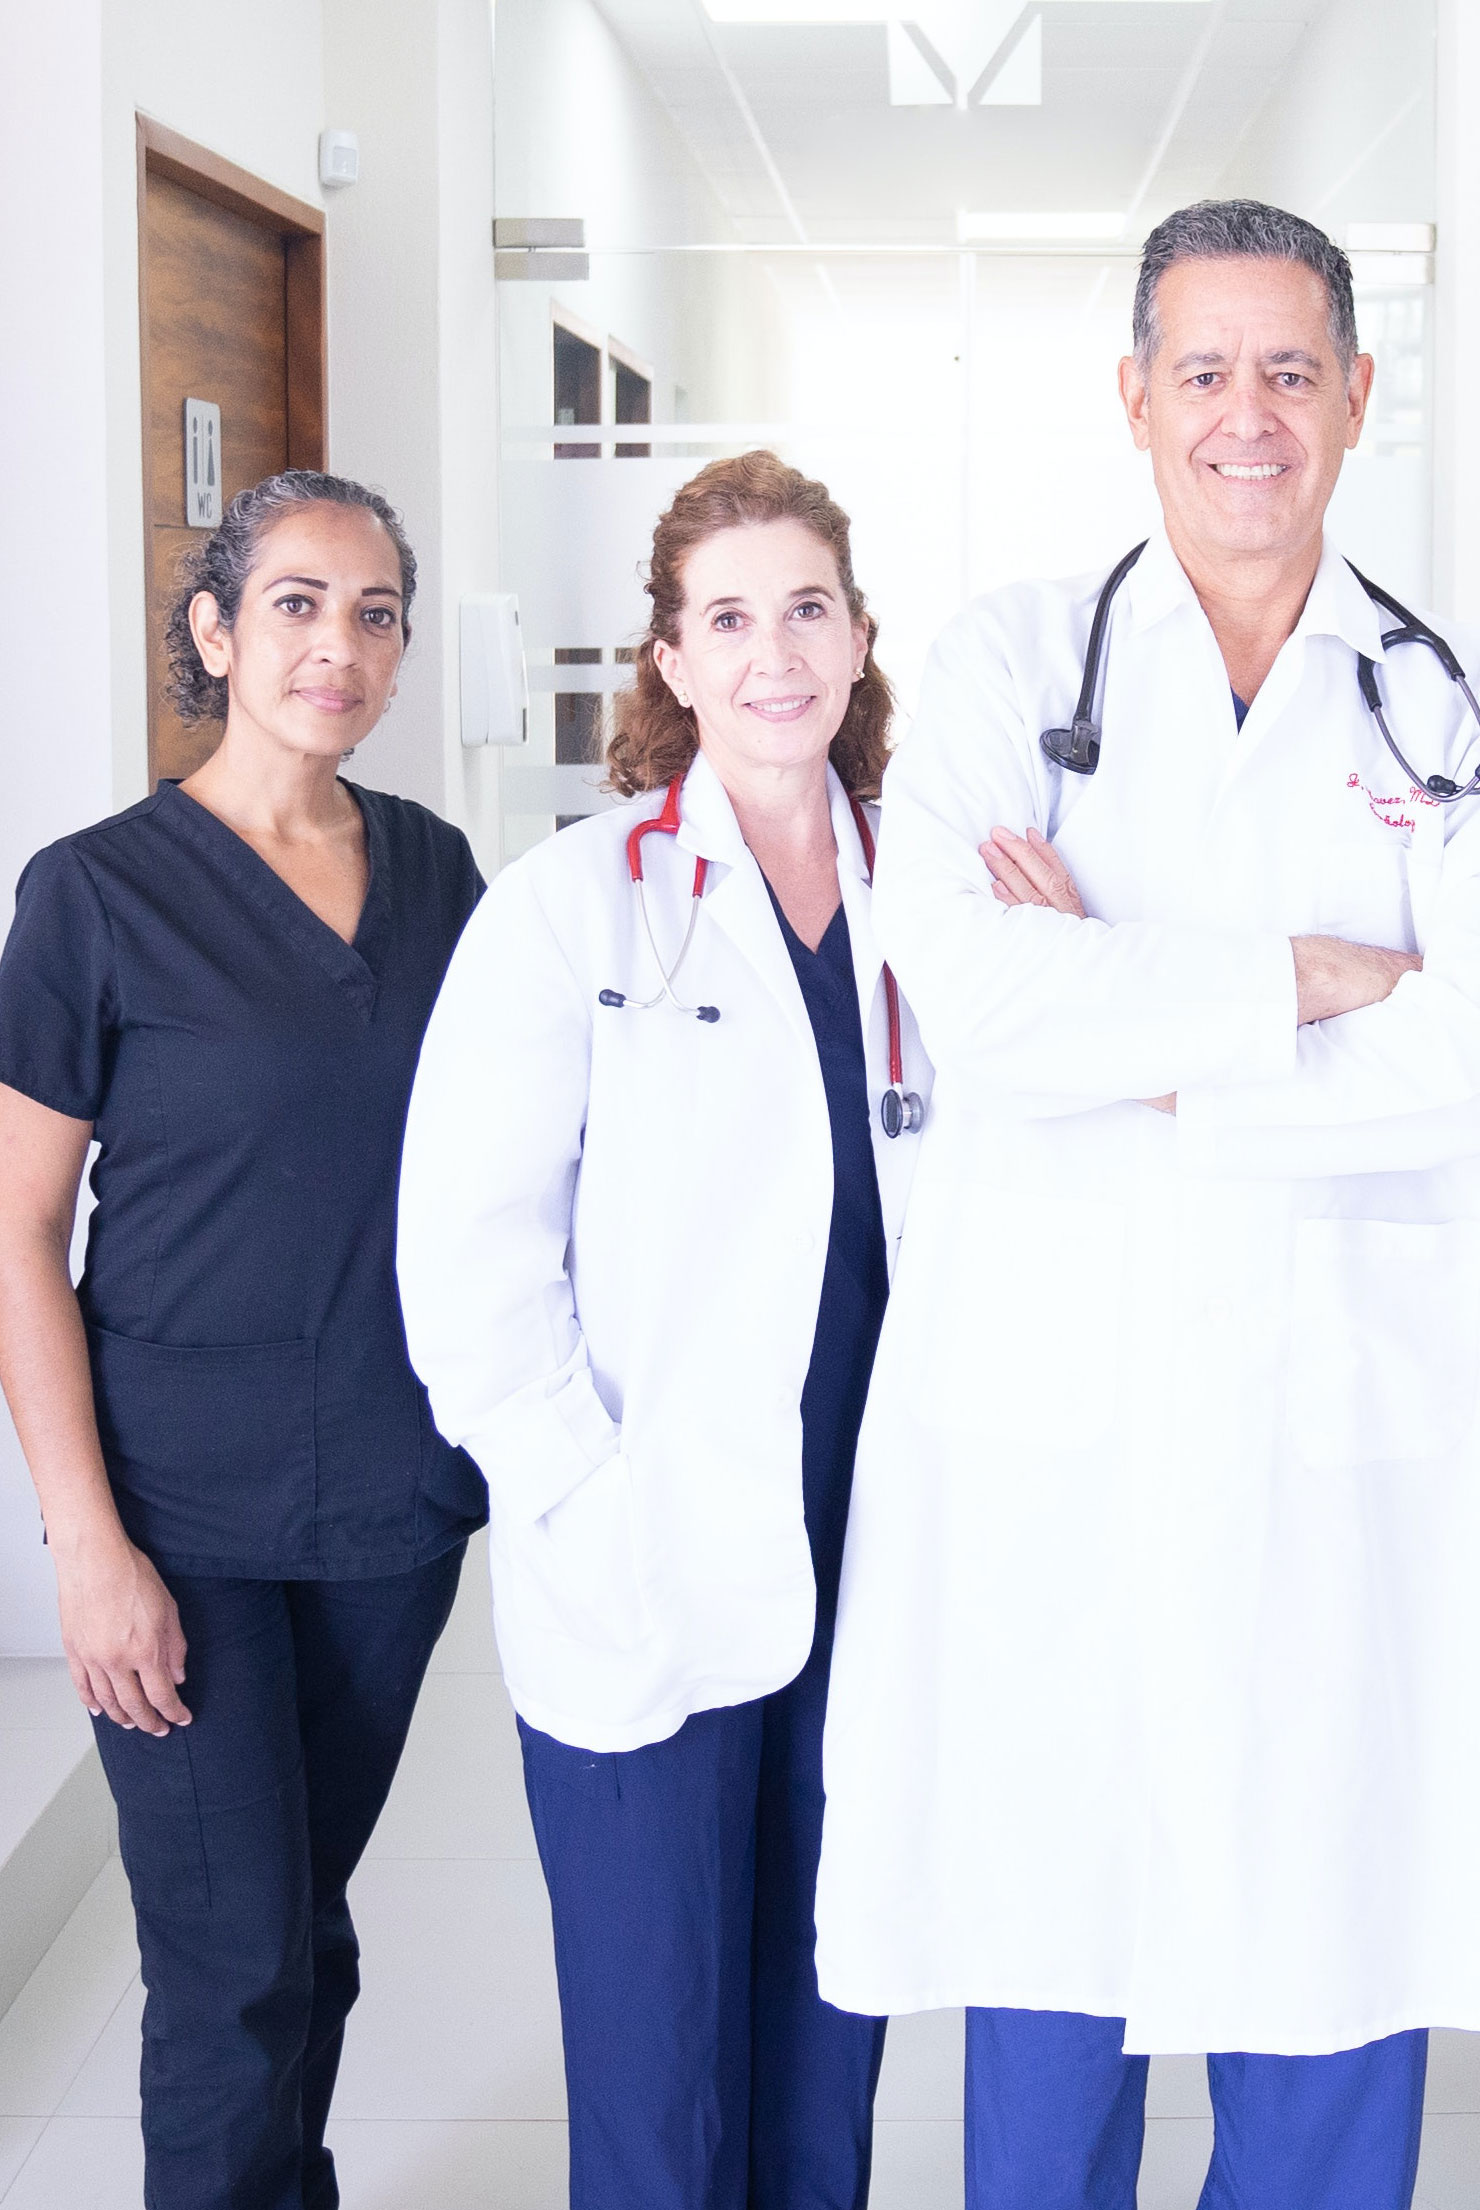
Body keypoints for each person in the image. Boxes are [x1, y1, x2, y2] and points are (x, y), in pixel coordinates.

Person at [812, 199, 1480, 2210]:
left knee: (1325, 1946)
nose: (1244, 414)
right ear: (1131, 397)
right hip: (1060, 1410)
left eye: (1287, 370)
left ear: (1354, 394)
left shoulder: (1463, 704)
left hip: (1347, 1417)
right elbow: (976, 1000)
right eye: (1201, 370)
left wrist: (1143, 1035)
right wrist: (1322, 979)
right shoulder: (1008, 658)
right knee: (1053, 1948)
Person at [396, 451, 929, 2210]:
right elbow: (468, 1269)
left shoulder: (933, 902)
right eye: (728, 617)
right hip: (647, 1551)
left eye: (805, 609)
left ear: (857, 639)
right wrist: (585, 1500)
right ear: (671, 664)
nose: (773, 653)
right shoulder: (575, 903)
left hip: (872, 1535)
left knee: (826, 2032)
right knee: (655, 2069)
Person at [0, 472, 487, 2210]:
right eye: (292, 603)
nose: (335, 646)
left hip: (389, 1506)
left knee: (306, 1926)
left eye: (373, 612)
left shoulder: (437, 869)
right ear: (213, 633)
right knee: (233, 1967)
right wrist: (84, 1542)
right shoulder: (96, 894)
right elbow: (15, 1234)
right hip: (176, 1518)